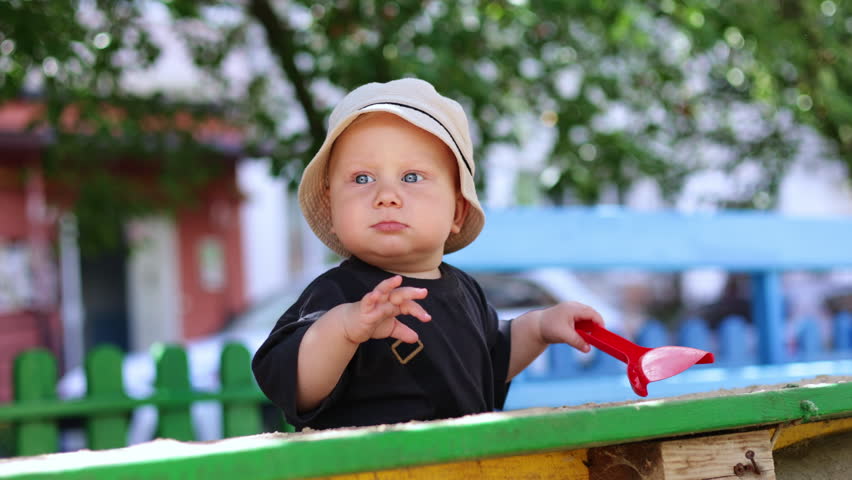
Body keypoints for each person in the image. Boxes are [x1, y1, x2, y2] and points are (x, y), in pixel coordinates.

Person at [251, 78, 604, 430]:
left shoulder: (465, 291)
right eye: (362, 179)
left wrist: (541, 327)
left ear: (457, 212)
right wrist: (345, 328)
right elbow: (297, 387)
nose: (386, 195)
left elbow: (492, 358)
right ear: (331, 210)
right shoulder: (339, 294)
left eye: (412, 177)